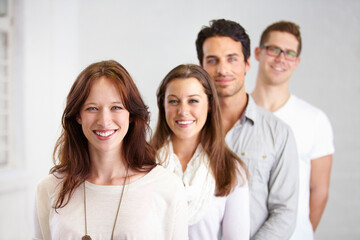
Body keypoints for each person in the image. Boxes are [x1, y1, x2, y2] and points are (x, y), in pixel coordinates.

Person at [32, 60, 188, 240]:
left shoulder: (167, 186)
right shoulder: (49, 189)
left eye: (116, 107)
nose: (104, 120)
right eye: (92, 108)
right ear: (78, 116)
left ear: (131, 115)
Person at [195, 19, 299, 240]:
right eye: (212, 60)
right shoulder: (186, 127)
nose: (222, 70)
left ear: (247, 63)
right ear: (201, 66)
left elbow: (284, 212)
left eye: (232, 59)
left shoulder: (278, 133)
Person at [251, 21, 335, 240]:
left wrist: (299, 233)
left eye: (289, 53)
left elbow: (319, 192)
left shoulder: (315, 120)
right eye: (274, 49)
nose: (281, 58)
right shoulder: (234, 113)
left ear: (297, 62)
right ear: (258, 53)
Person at [151, 64, 250, 239]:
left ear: (210, 105)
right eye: (173, 101)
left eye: (193, 101)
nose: (183, 111)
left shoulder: (231, 170)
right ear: (163, 105)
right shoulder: (143, 163)